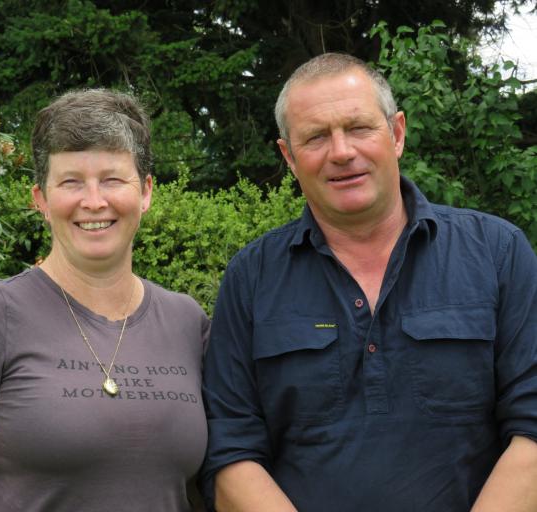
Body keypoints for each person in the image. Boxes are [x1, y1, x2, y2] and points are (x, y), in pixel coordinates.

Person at [201, 53, 537, 511]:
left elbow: (532, 429)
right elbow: (230, 451)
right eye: (316, 137)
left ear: (396, 133)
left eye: (359, 127)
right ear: (289, 157)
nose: (341, 152)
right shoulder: (252, 277)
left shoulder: (497, 253)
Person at [0, 89, 209, 511]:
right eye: (71, 182)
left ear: (145, 192)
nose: (93, 201)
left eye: (112, 179)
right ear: (41, 201)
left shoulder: (187, 322)